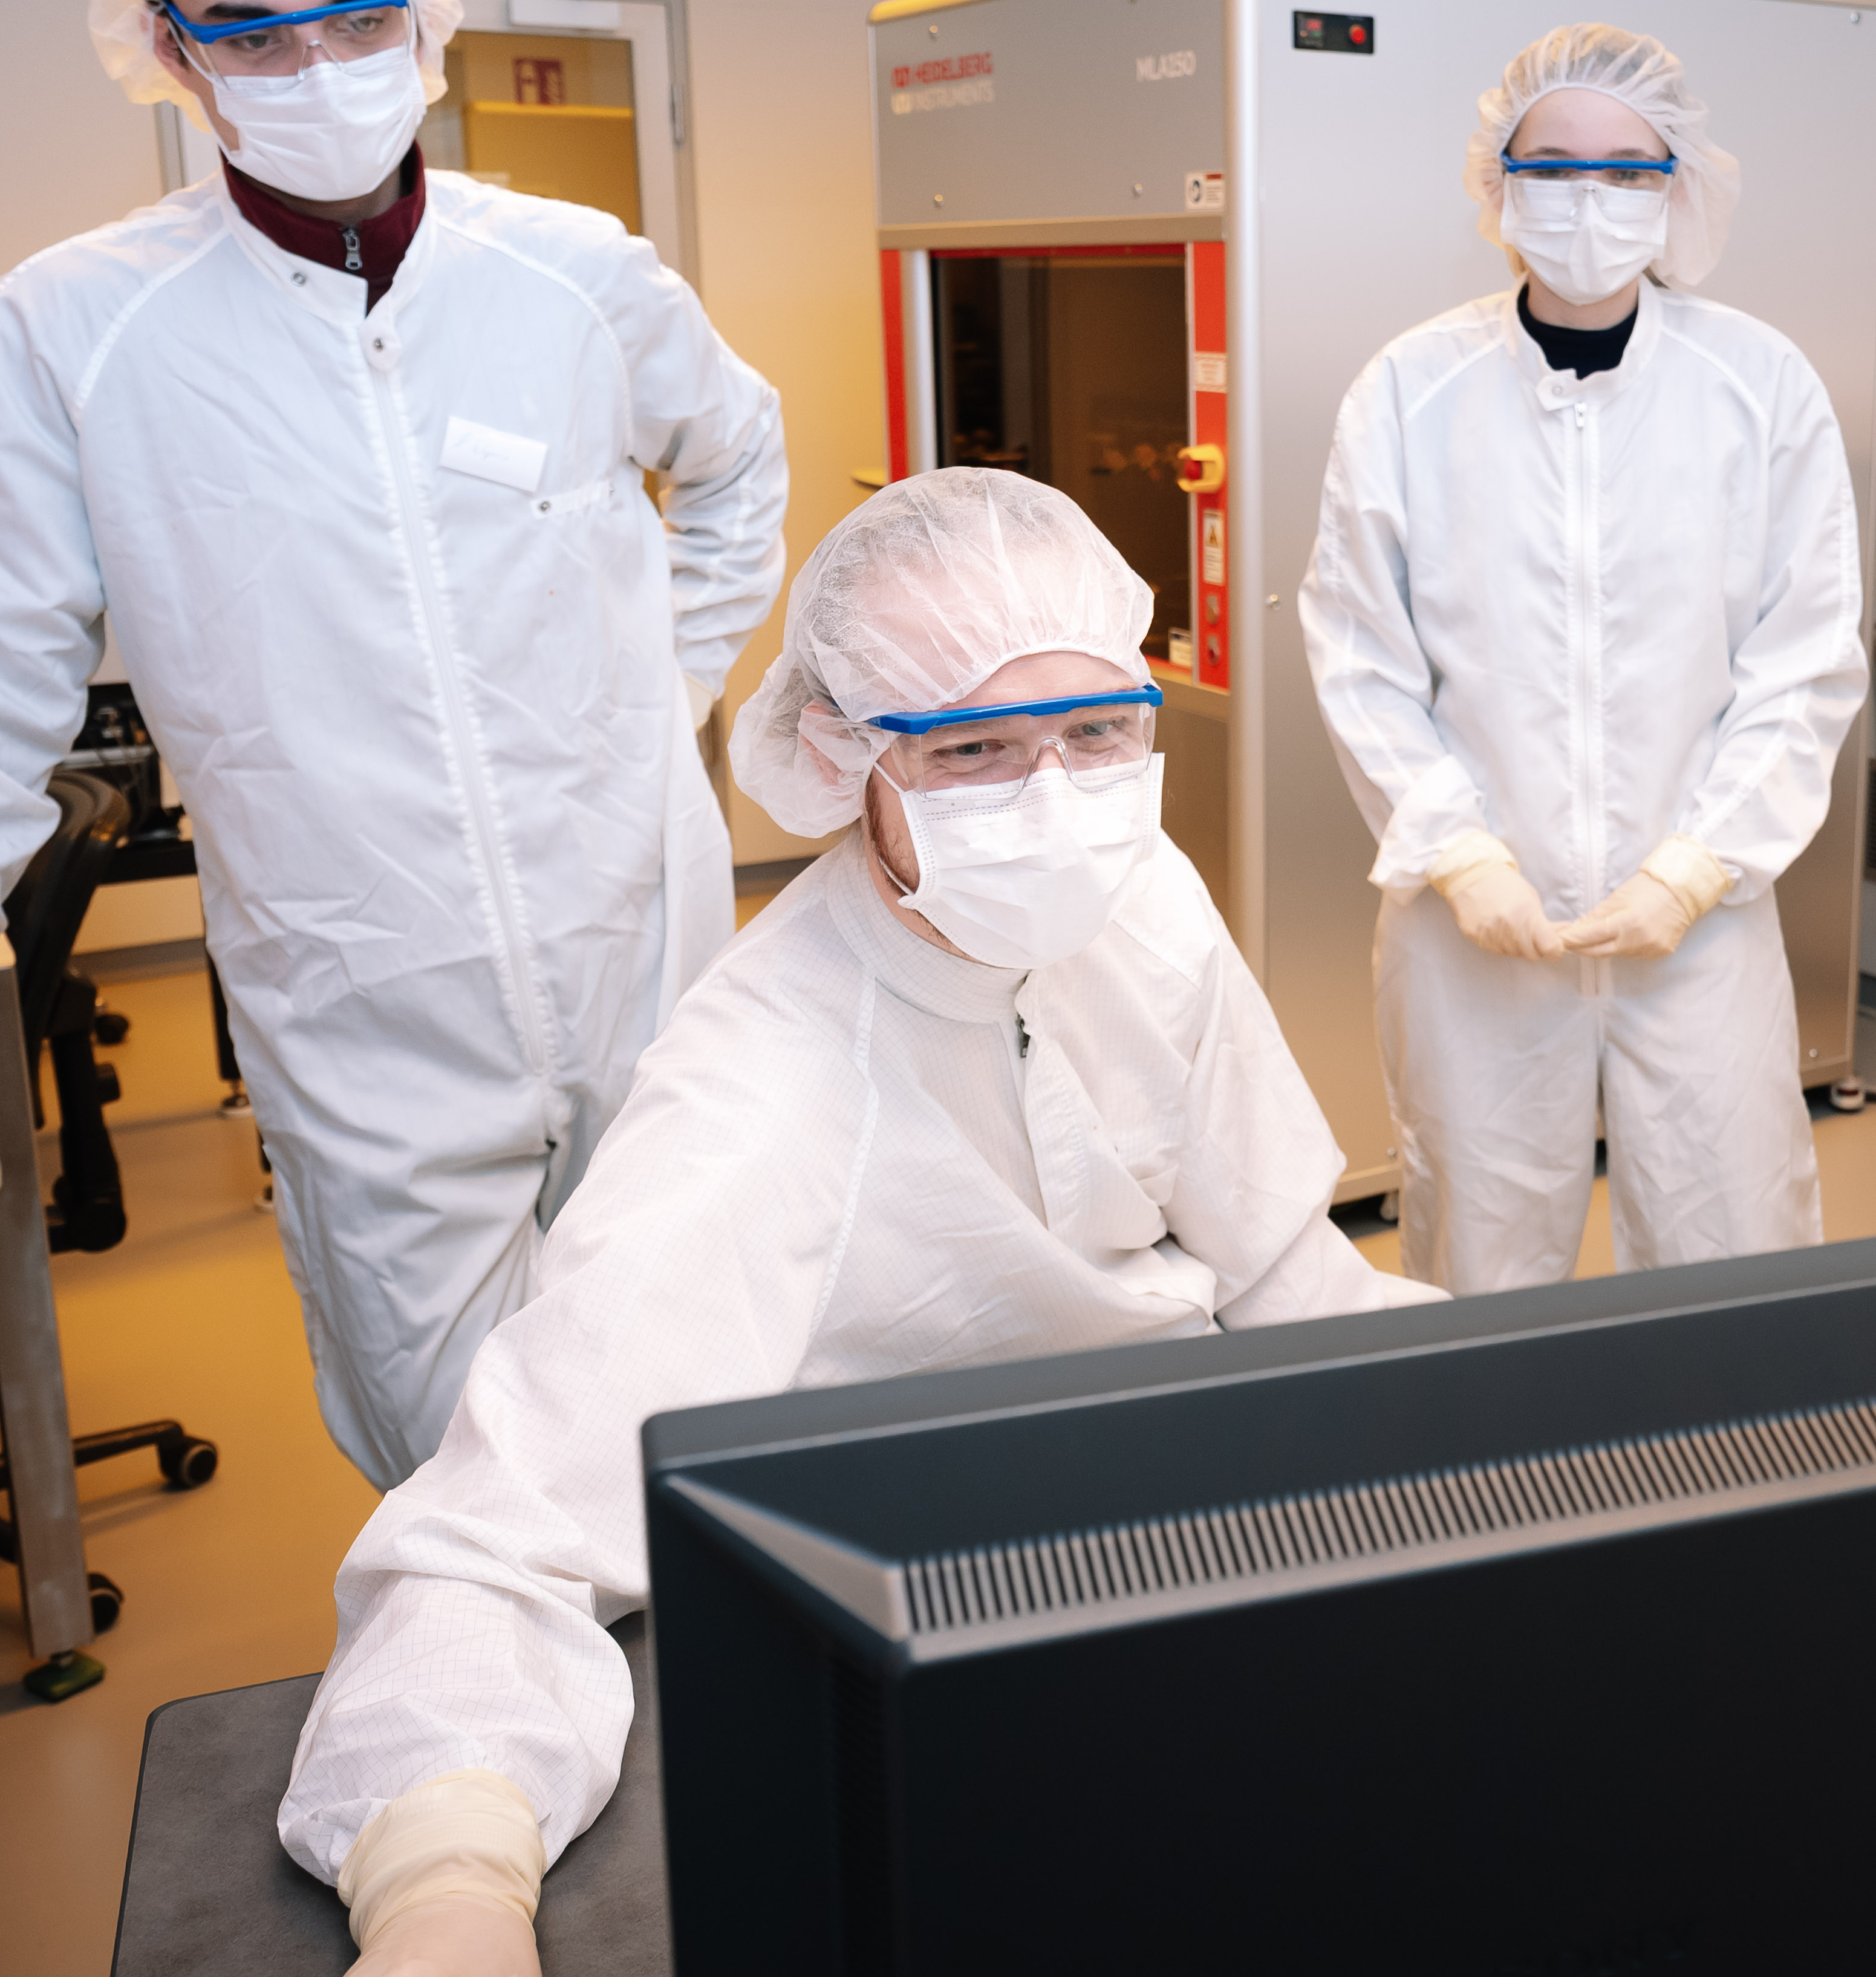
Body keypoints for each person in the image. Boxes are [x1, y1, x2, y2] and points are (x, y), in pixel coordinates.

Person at [275, 471, 1440, 1975]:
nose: (1056, 802)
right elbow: (499, 1545)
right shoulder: (759, 1088)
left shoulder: (1141, 892)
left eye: (1097, 732)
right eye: (971, 751)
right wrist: (447, 1889)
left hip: (1184, 1537)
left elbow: (1287, 1273)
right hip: (923, 1628)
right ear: (845, 757)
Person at [0, 0, 790, 1491]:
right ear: (170, 56)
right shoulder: (73, 331)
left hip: (642, 942)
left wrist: (665, 692)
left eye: (355, 17)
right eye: (251, 33)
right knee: (455, 1465)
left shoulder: (575, 275)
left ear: (423, 19)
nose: (314, 66)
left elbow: (737, 461)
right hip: (361, 983)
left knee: (708, 1402)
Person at [1301, 24, 1867, 1296]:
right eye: (1551, 168)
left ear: (1679, 187)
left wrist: (1696, 866)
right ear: (1496, 183)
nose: (1587, 201)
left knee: (1731, 1237)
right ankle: (1485, 1439)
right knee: (1481, 1245)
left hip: (1699, 924)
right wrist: (1458, 854)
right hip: (1477, 930)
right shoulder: (1411, 389)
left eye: (1625, 170)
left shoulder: (1756, 384)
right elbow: (1357, 648)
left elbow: (1804, 659)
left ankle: (1728, 1437)